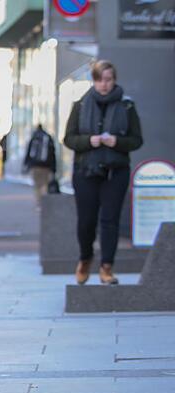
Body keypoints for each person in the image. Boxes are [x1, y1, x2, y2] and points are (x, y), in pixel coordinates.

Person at [63, 60, 142, 285]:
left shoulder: (127, 106)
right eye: (99, 80)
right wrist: (90, 140)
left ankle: (107, 267)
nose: (104, 84)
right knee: (86, 221)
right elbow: (68, 139)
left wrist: (117, 141)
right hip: (85, 171)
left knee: (110, 220)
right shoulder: (81, 105)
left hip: (115, 172)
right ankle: (85, 258)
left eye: (108, 79)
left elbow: (137, 140)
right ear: (94, 80)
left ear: (114, 80)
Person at [23, 124, 57, 206]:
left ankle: (39, 203)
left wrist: (26, 164)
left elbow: (28, 152)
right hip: (46, 166)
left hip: (35, 166)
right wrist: (53, 168)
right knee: (44, 185)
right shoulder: (48, 137)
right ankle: (44, 203)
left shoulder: (34, 137)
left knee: (37, 185)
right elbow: (53, 154)